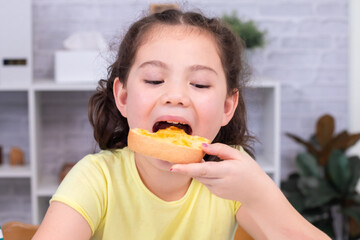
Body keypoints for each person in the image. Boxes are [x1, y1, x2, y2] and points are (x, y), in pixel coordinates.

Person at [33, 9, 330, 240]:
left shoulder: (231, 180)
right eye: (154, 80)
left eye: (199, 84)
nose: (176, 96)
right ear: (123, 96)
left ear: (228, 106)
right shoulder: (96, 179)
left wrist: (260, 194)